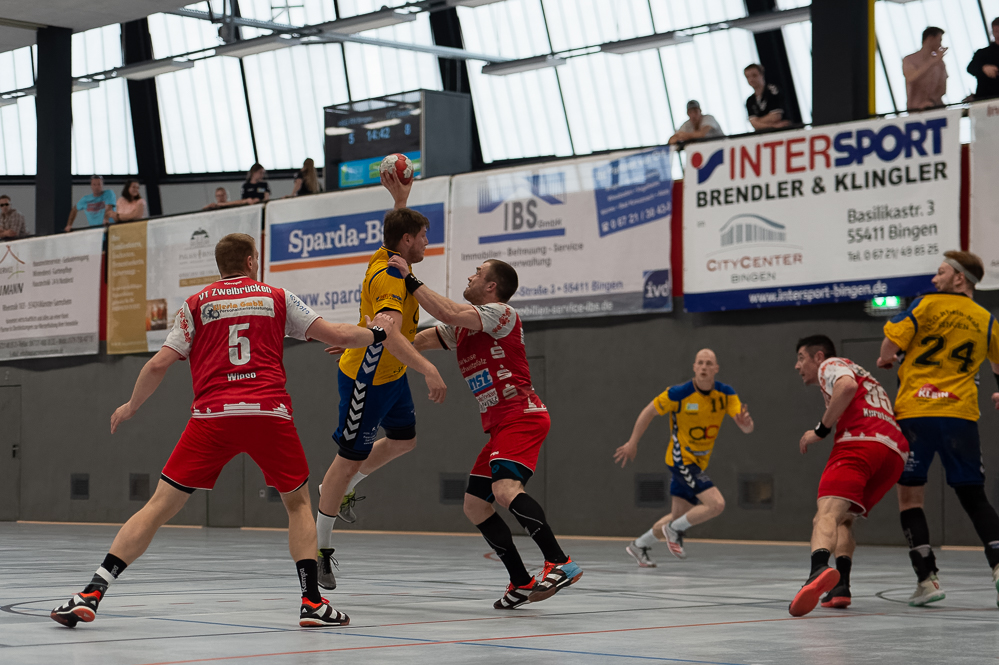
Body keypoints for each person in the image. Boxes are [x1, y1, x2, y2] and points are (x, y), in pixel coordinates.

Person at [50, 233, 394, 629]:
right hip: (268, 414)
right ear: (250, 261)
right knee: (299, 505)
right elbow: (339, 335)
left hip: (212, 418)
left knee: (157, 507)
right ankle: (312, 602)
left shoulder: (196, 304)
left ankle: (93, 591)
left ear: (220, 265)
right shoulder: (277, 297)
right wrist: (378, 332)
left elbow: (158, 364)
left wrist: (131, 406)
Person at [386, 251, 582, 608]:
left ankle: (559, 561)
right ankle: (521, 581)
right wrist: (364, 344)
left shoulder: (500, 313)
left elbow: (447, 311)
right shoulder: (462, 328)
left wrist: (410, 279)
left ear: (491, 286)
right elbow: (414, 341)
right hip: (500, 425)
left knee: (505, 490)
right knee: (475, 505)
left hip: (521, 415)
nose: (469, 277)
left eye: (476, 273)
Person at [314, 171, 447, 591]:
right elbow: (387, 332)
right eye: (423, 236)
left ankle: (343, 487)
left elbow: (396, 233)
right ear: (407, 240)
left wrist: (401, 198)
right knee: (348, 459)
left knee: (404, 440)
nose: (427, 242)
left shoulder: (388, 255)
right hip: (367, 379)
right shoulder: (391, 275)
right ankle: (320, 550)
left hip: (393, 376)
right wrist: (428, 368)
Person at [878, 250, 999, 608]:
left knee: (910, 498)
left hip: (916, 413)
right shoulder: (986, 319)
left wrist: (887, 357)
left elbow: (891, 342)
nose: (934, 278)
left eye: (941, 272)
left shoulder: (926, 304)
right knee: (974, 496)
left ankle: (926, 579)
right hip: (960, 415)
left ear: (959, 278)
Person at [790, 335, 908, 616]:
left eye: (801, 358)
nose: (797, 366)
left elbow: (846, 386)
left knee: (825, 515)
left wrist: (820, 430)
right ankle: (841, 585)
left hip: (860, 443)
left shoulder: (830, 365)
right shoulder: (863, 374)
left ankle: (818, 569)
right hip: (895, 453)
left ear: (819, 356)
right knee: (843, 518)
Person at [614, 350, 754, 567]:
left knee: (678, 517)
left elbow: (747, 427)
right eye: (700, 363)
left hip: (699, 462)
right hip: (681, 460)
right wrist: (632, 442)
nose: (704, 367)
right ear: (694, 367)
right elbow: (648, 412)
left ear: (716, 368)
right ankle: (674, 530)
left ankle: (639, 545)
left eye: (709, 363)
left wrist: (746, 425)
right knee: (716, 504)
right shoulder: (678, 393)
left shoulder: (725, 394)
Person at [903, 27, 948, 111]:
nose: (940, 45)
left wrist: (932, 101)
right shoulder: (909, 60)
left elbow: (942, 89)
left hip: (936, 107)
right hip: (916, 109)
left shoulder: (940, 63)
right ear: (930, 38)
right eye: (939, 40)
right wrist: (932, 62)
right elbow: (911, 78)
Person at [744, 64, 791, 131]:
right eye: (747, 77)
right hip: (764, 134)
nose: (751, 79)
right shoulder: (750, 100)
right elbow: (753, 124)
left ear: (762, 75)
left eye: (754, 75)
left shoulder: (773, 90)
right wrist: (773, 126)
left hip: (783, 132)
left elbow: (775, 116)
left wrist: (758, 121)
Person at [968, 17, 999, 101]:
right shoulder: (982, 53)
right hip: (986, 99)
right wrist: (983, 68)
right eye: (996, 31)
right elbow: (970, 68)